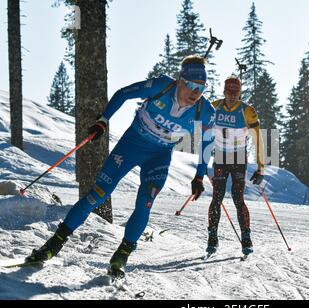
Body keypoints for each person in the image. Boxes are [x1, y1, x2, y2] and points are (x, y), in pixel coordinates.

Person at [26, 55, 216, 277]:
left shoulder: (206, 112)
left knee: (145, 202)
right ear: (180, 81)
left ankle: (122, 256)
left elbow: (207, 143)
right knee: (97, 194)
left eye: (201, 88)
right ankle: (53, 245)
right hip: (131, 145)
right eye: (191, 85)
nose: (195, 93)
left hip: (159, 156)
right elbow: (123, 93)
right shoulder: (161, 86)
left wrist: (200, 176)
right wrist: (103, 120)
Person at [207, 76, 265, 256]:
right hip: (221, 157)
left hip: (239, 158)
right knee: (217, 197)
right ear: (224, 91)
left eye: (236, 93)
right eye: (229, 92)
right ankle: (212, 238)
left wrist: (261, 167)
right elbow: (203, 129)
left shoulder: (247, 111)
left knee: (238, 198)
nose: (232, 96)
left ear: (240, 93)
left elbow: (258, 139)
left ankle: (246, 238)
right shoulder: (214, 106)